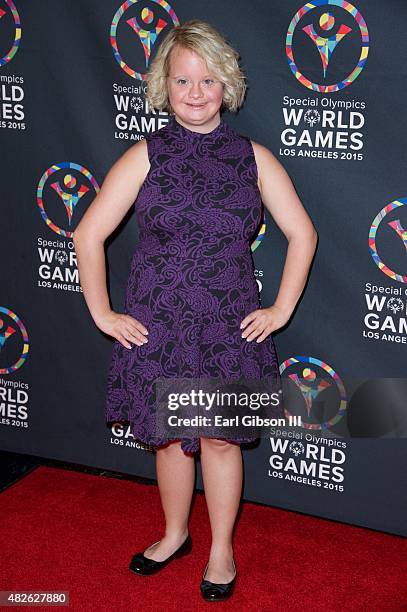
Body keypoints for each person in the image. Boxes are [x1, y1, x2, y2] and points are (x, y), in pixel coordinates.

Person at [73, 19, 317, 602]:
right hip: (159, 329)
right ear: (164, 86)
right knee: (166, 438)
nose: (196, 92)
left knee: (221, 442)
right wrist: (103, 313)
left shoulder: (252, 158)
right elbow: (87, 235)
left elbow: (302, 234)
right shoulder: (146, 155)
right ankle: (175, 534)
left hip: (229, 329)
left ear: (226, 84)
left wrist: (281, 308)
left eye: (208, 80)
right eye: (183, 80)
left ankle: (221, 549)